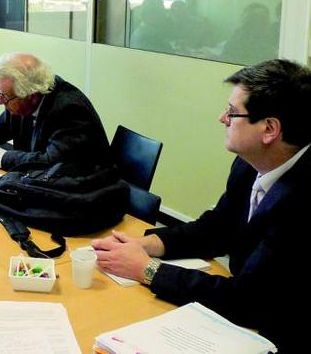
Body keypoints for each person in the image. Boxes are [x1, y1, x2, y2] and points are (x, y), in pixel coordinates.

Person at [91, 59, 311, 352]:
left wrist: (148, 270)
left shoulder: (303, 200)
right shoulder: (250, 165)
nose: (222, 118)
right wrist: (147, 244)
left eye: (232, 112)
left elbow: (249, 299)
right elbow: (218, 227)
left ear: (269, 129)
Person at [0, 52, 111, 172]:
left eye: (5, 96)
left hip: (81, 196)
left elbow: (51, 163)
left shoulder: (69, 110)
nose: (0, 101)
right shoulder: (26, 98)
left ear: (31, 96)